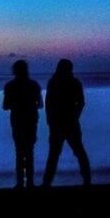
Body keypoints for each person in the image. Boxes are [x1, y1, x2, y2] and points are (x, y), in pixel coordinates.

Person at [42, 58, 91, 187]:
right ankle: (86, 179)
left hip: (62, 123)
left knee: (56, 154)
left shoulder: (56, 82)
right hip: (65, 122)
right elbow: (80, 103)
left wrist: (51, 120)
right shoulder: (72, 83)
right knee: (76, 151)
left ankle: (47, 182)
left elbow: (49, 103)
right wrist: (74, 116)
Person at [3, 60, 42, 189]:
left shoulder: (10, 86)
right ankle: (29, 182)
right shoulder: (34, 85)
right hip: (31, 121)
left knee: (19, 152)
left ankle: (20, 182)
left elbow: (5, 105)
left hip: (17, 121)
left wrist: (17, 105)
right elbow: (40, 105)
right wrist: (30, 106)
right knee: (29, 151)